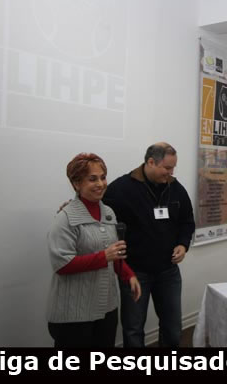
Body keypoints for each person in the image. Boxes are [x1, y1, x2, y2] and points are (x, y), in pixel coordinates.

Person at [103, 142, 195, 347]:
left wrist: (183, 244)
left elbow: (187, 221)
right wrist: (73, 205)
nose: (171, 173)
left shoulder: (175, 188)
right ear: (151, 162)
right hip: (135, 272)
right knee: (133, 328)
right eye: (167, 167)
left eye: (173, 168)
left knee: (172, 327)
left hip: (168, 271)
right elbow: (97, 207)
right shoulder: (122, 188)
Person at [46, 153, 141, 348]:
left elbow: (113, 254)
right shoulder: (65, 218)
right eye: (92, 179)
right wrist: (104, 256)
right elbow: (62, 264)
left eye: (103, 177)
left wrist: (128, 275)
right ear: (76, 183)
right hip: (74, 313)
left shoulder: (108, 212)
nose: (100, 184)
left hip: (106, 307)